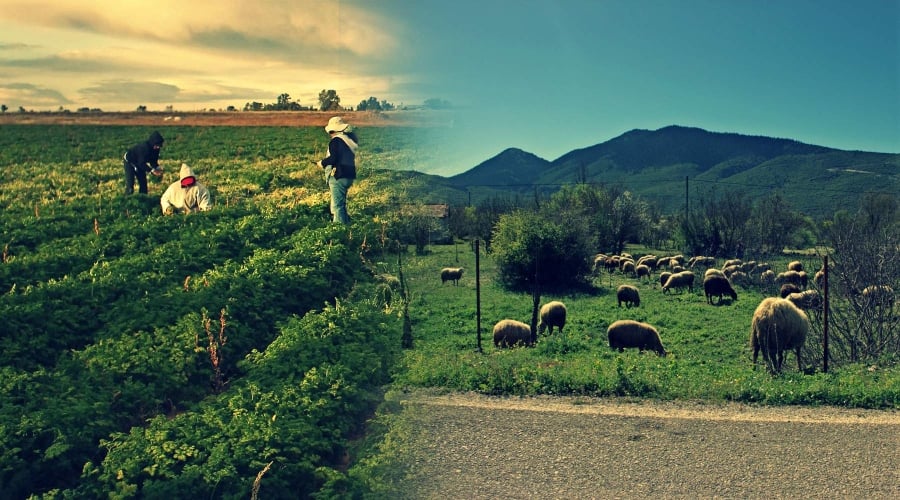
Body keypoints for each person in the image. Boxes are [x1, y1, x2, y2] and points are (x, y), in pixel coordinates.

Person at [317, 116, 358, 224]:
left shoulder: (336, 141)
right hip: (349, 174)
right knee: (341, 203)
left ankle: (339, 229)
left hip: (338, 175)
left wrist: (322, 163)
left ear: (332, 130)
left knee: (337, 206)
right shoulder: (349, 140)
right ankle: (346, 224)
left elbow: (334, 158)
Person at [123, 130, 165, 194]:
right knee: (130, 185)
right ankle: (127, 199)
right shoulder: (144, 148)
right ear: (153, 143)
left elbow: (153, 161)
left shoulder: (156, 149)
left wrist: (158, 168)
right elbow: (141, 163)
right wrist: (152, 171)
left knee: (143, 184)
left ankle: (143, 198)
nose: (158, 147)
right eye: (157, 145)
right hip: (130, 161)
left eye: (159, 146)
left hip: (140, 163)